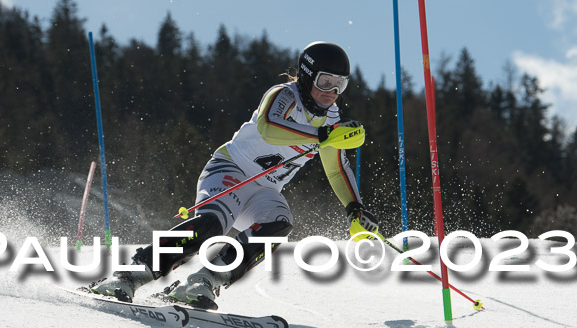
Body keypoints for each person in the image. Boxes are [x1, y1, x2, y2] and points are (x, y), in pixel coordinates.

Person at [90, 41, 380, 309]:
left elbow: (336, 168)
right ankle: (128, 276)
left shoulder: (331, 119)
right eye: (324, 81)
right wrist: (324, 134)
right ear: (306, 76)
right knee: (211, 226)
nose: (331, 92)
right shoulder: (285, 96)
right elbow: (268, 127)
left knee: (279, 225)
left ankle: (205, 282)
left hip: (264, 191)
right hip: (231, 171)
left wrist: (355, 210)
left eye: (339, 84)